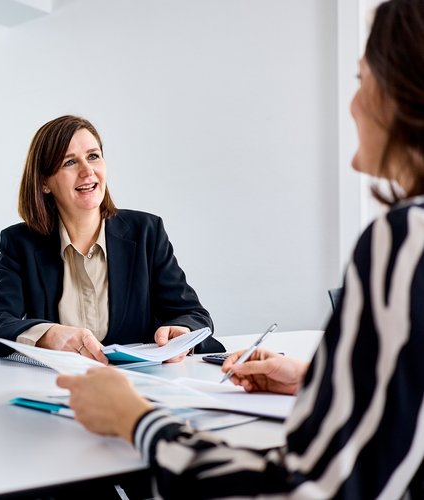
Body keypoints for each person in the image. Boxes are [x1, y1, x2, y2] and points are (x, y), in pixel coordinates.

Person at [56, 0, 424, 497]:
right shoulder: (20, 243)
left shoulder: (405, 243)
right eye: (69, 163)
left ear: (403, 92)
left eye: (362, 80)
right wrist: (319, 380)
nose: (354, 103)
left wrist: (134, 419)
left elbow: (301, 488)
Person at [0, 115, 224, 363]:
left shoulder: (146, 231)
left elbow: (193, 315)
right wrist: (47, 335)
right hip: (58, 389)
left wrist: (182, 332)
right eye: (69, 162)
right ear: (44, 183)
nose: (87, 171)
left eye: (93, 156)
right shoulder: (21, 243)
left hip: (139, 385)